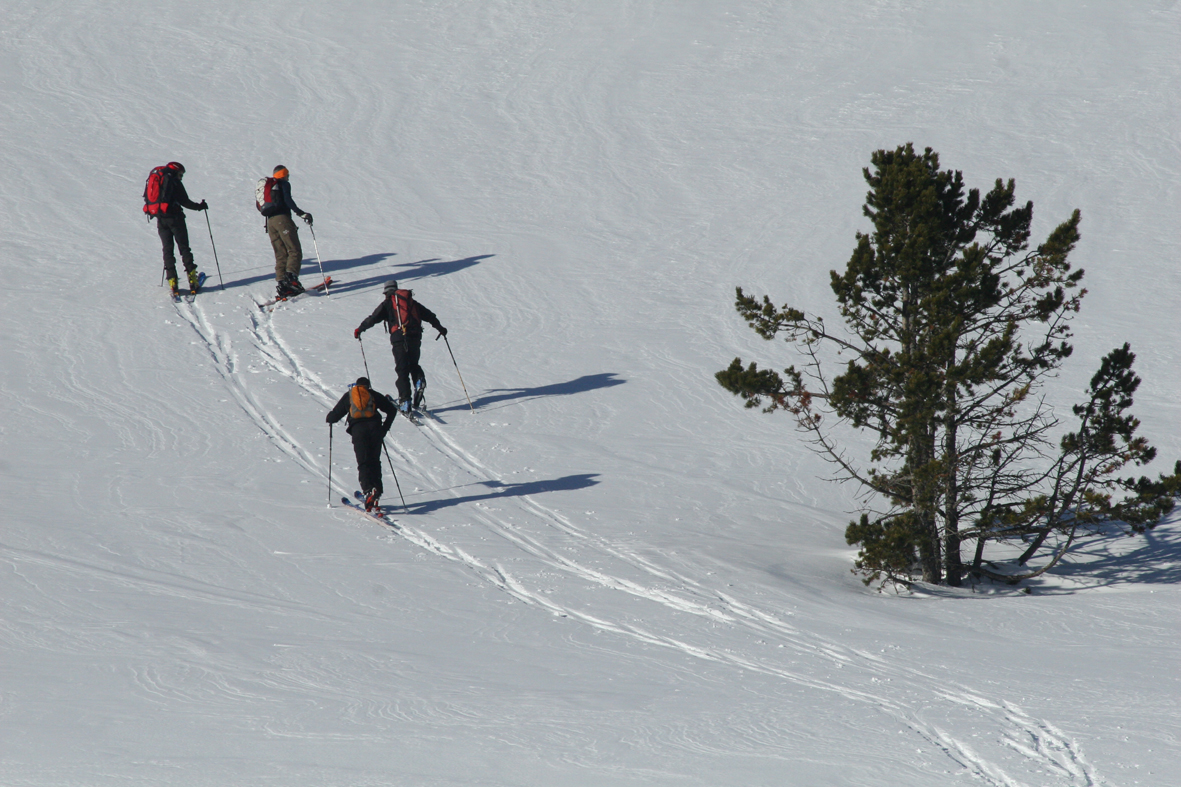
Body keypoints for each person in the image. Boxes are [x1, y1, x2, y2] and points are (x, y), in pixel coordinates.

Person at [354, 280, 447, 413]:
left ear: (386, 292)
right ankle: (419, 380)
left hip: (399, 338)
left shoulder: (387, 303)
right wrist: (441, 328)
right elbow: (430, 315)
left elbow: (373, 318)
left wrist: (359, 329)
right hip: (415, 337)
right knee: (413, 364)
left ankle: (405, 401)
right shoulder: (411, 303)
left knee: (402, 369)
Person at [325, 376, 398, 511]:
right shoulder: (373, 394)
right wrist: (384, 429)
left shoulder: (350, 396)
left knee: (363, 462)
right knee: (375, 461)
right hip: (376, 430)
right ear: (367, 386)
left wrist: (329, 418)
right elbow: (392, 410)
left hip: (359, 432)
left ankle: (368, 490)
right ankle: (377, 491)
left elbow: (334, 416)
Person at [152, 162, 208, 296]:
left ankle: (172, 281)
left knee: (167, 249)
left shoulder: (158, 180)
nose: (181, 177)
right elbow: (185, 201)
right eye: (181, 174)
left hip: (161, 219)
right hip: (176, 219)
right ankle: (192, 280)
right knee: (184, 248)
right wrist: (200, 207)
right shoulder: (174, 182)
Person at [267, 165, 313, 298]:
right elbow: (288, 200)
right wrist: (301, 213)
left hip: (270, 223)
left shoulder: (271, 187)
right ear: (284, 175)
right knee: (294, 250)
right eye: (287, 175)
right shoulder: (283, 184)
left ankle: (282, 284)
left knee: (281, 253)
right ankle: (291, 280)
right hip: (283, 220)